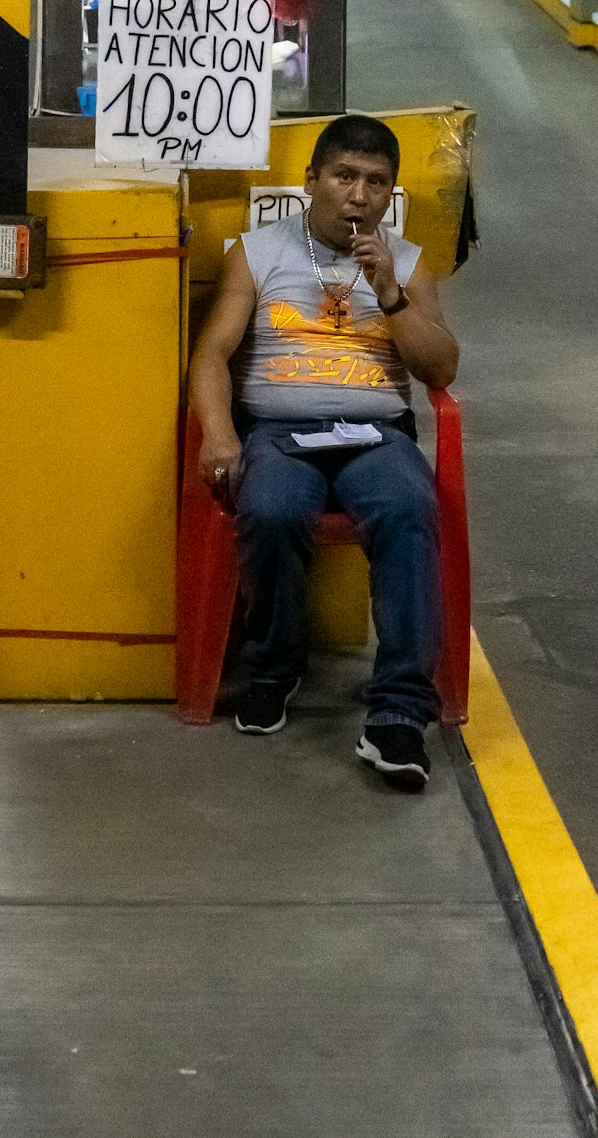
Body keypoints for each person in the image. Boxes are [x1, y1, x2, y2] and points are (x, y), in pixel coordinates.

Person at [188, 113, 459, 790]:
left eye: (375, 182)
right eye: (343, 176)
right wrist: (220, 431)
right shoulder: (256, 253)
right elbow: (212, 354)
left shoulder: (409, 264)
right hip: (278, 432)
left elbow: (440, 371)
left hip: (375, 434)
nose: (359, 195)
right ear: (311, 181)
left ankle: (399, 713)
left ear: (389, 192)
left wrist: (391, 296)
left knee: (407, 506)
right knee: (274, 508)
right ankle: (275, 667)